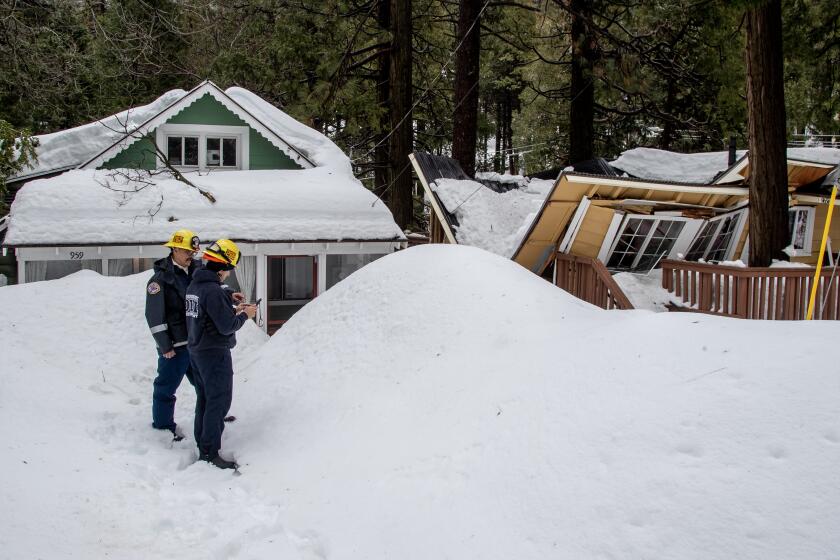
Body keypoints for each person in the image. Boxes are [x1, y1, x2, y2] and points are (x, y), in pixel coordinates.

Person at [186, 239, 256, 469]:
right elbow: (226, 326)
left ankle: (203, 442)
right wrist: (246, 314)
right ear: (223, 268)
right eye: (228, 270)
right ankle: (209, 453)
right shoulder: (212, 290)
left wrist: (228, 300)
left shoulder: (195, 286)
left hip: (197, 351)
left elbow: (208, 314)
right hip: (214, 353)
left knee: (204, 400)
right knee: (218, 401)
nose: (228, 275)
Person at [145, 229, 201, 440]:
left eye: (193, 252)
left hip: (196, 343)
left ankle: (211, 416)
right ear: (175, 249)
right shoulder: (159, 280)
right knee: (166, 388)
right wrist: (165, 346)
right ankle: (163, 427)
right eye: (188, 251)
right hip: (175, 348)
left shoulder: (196, 271)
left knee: (205, 385)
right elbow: (154, 316)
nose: (191, 256)